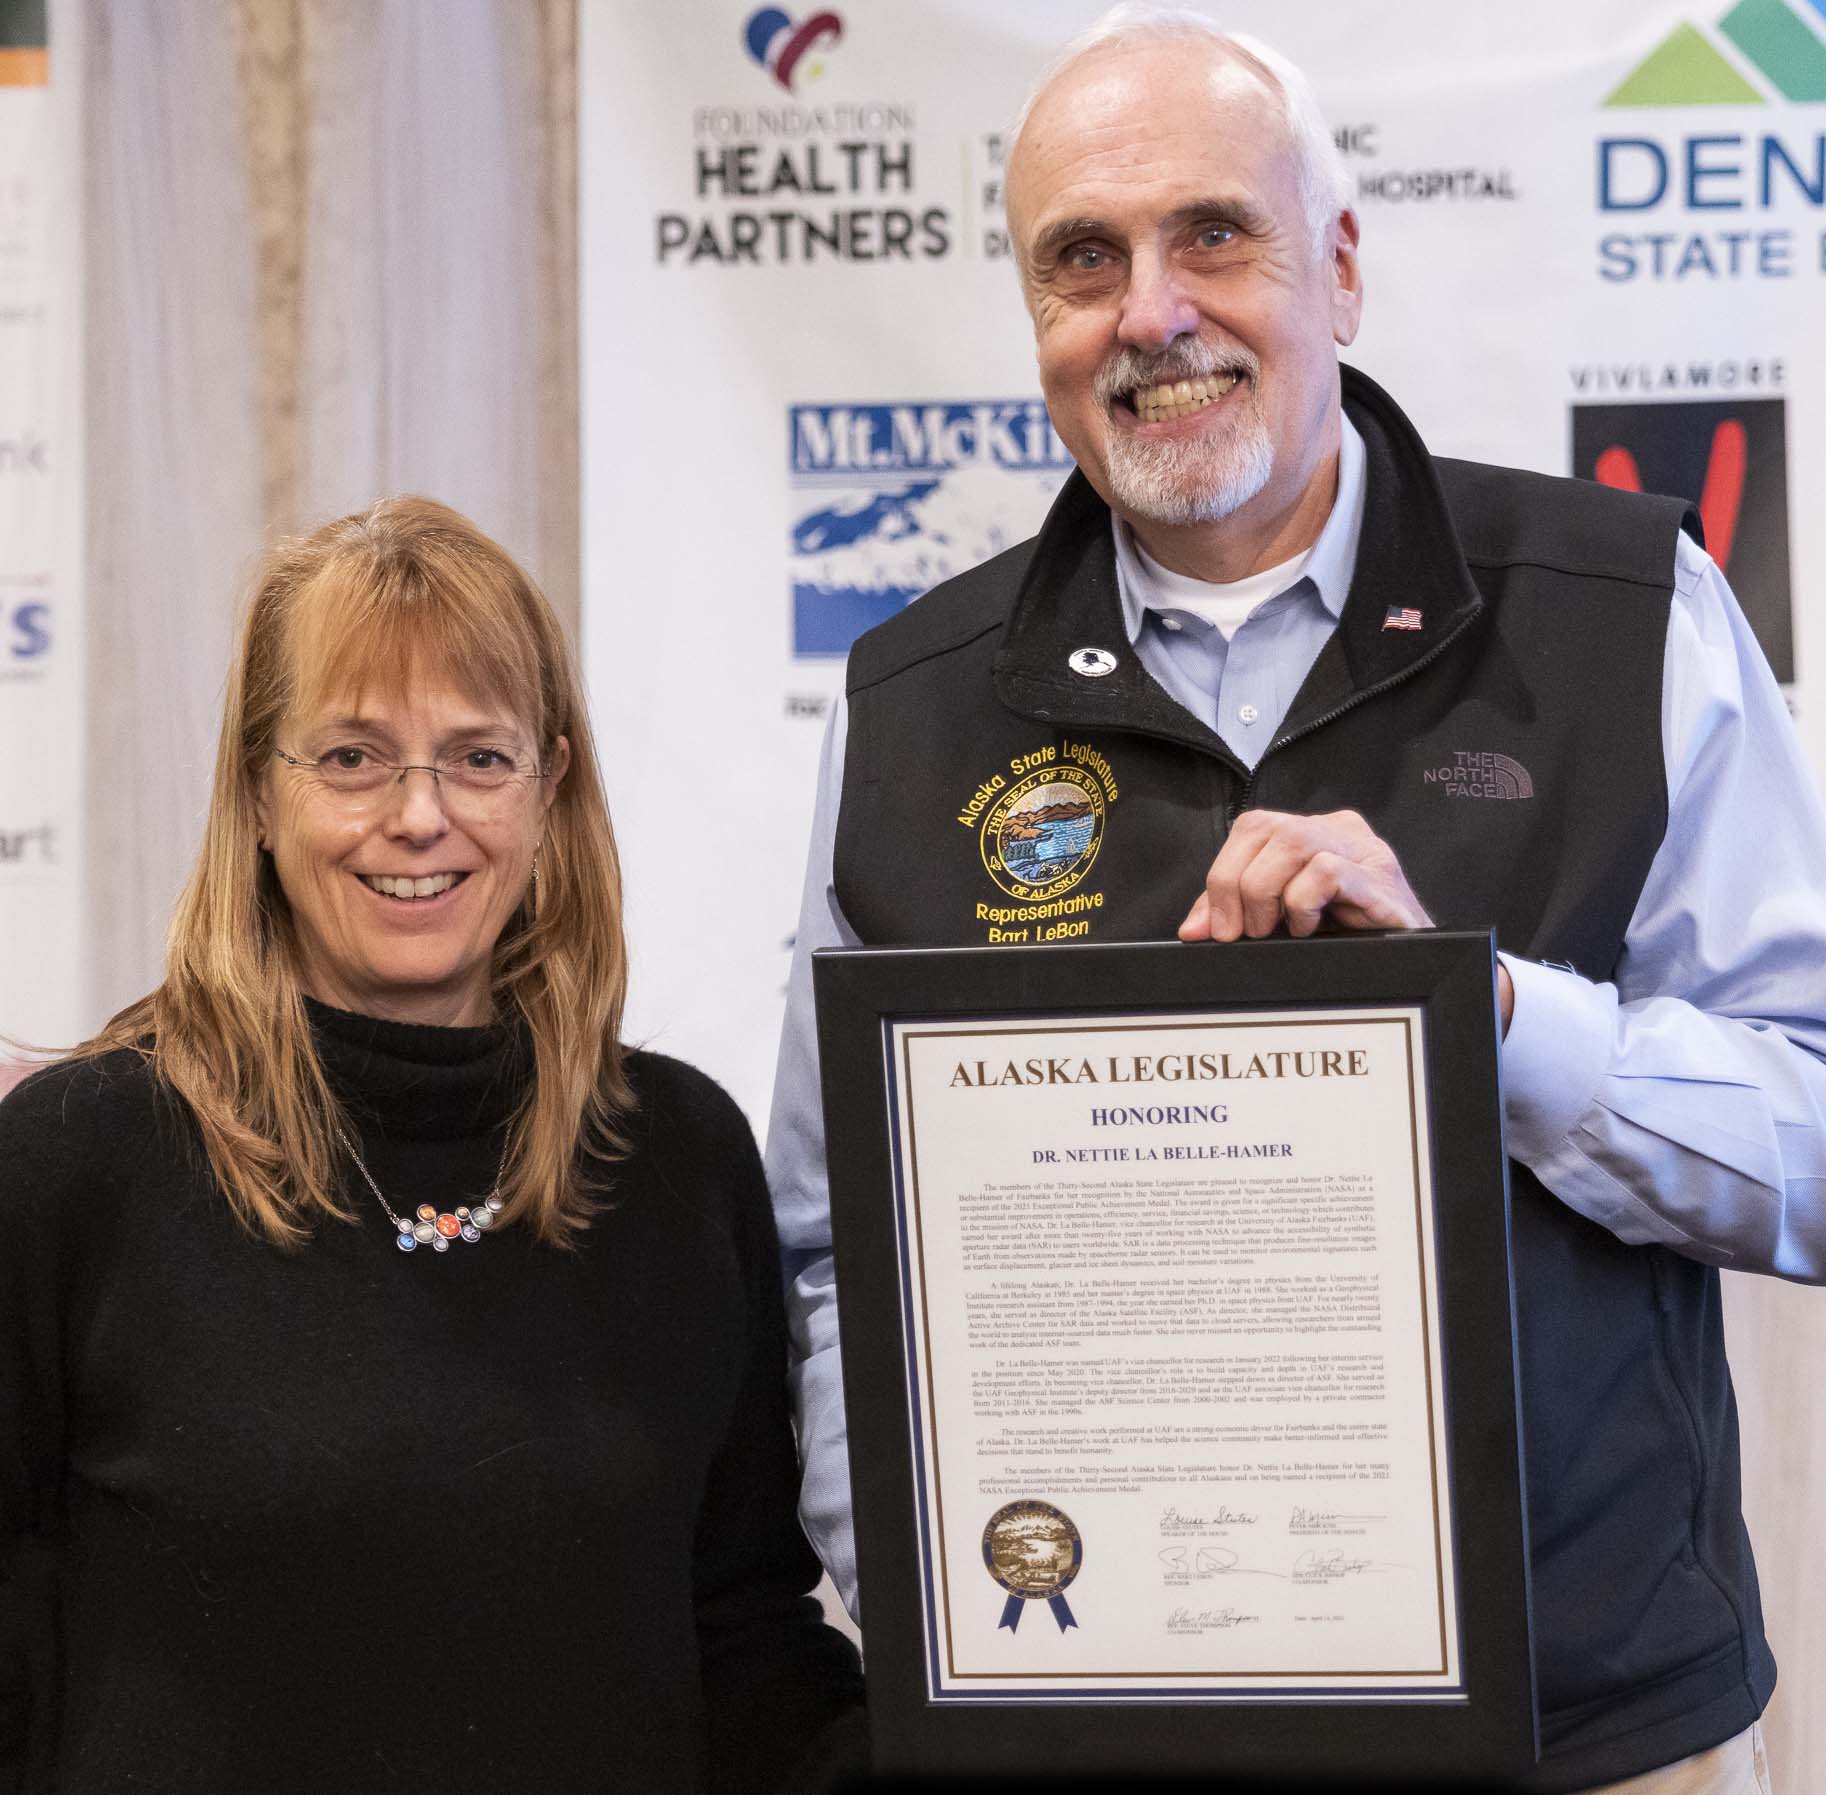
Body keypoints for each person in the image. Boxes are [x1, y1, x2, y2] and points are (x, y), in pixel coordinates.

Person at [766, 9, 1823, 1793]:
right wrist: (939, 1603)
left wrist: (1489, 1019)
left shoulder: (1619, 608)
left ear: (1337, 265)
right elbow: (829, 1250)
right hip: (1084, 1728)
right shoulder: (910, 701)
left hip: (1584, 1735)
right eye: (1080, 260)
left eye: (1212, 234)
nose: (1150, 311)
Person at [0, 497, 861, 1794]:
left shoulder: (674, 1155)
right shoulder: (81, 1159)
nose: (418, 816)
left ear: (550, 787)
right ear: (256, 796)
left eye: (477, 757)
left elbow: (740, 1638)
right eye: (350, 757)